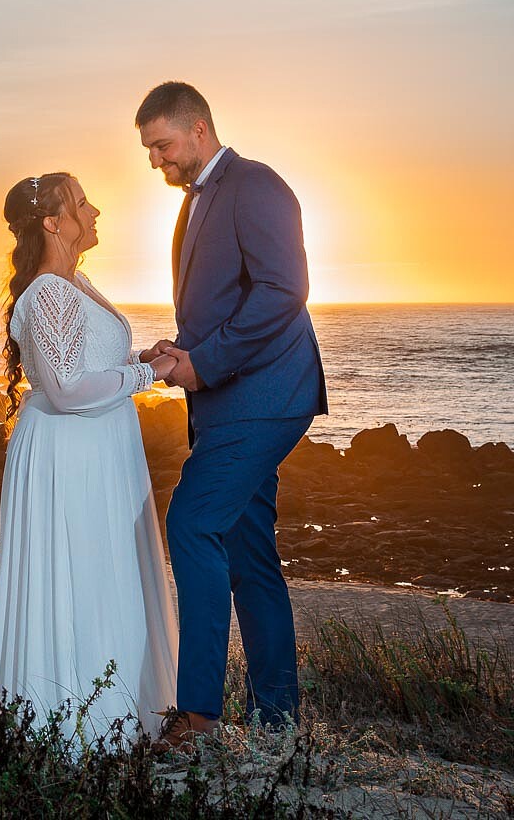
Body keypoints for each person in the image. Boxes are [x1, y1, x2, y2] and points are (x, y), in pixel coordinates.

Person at [135, 81, 328, 746]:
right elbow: (223, 303)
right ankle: (277, 720)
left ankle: (197, 716)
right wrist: (182, 353)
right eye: (149, 150)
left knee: (191, 522)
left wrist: (206, 363)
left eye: (162, 145)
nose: (156, 159)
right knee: (249, 555)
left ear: (198, 129)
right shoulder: (197, 200)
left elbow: (284, 291)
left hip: (264, 398)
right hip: (230, 400)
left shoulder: (255, 185)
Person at [0, 171, 180, 746]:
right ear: (52, 222)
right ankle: (80, 720)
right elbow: (66, 389)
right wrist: (150, 375)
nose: (95, 212)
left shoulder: (77, 282)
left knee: (106, 567)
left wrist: (141, 357)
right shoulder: (49, 292)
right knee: (83, 568)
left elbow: (82, 363)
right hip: (72, 452)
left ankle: (119, 707)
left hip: (99, 444)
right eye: (82, 204)